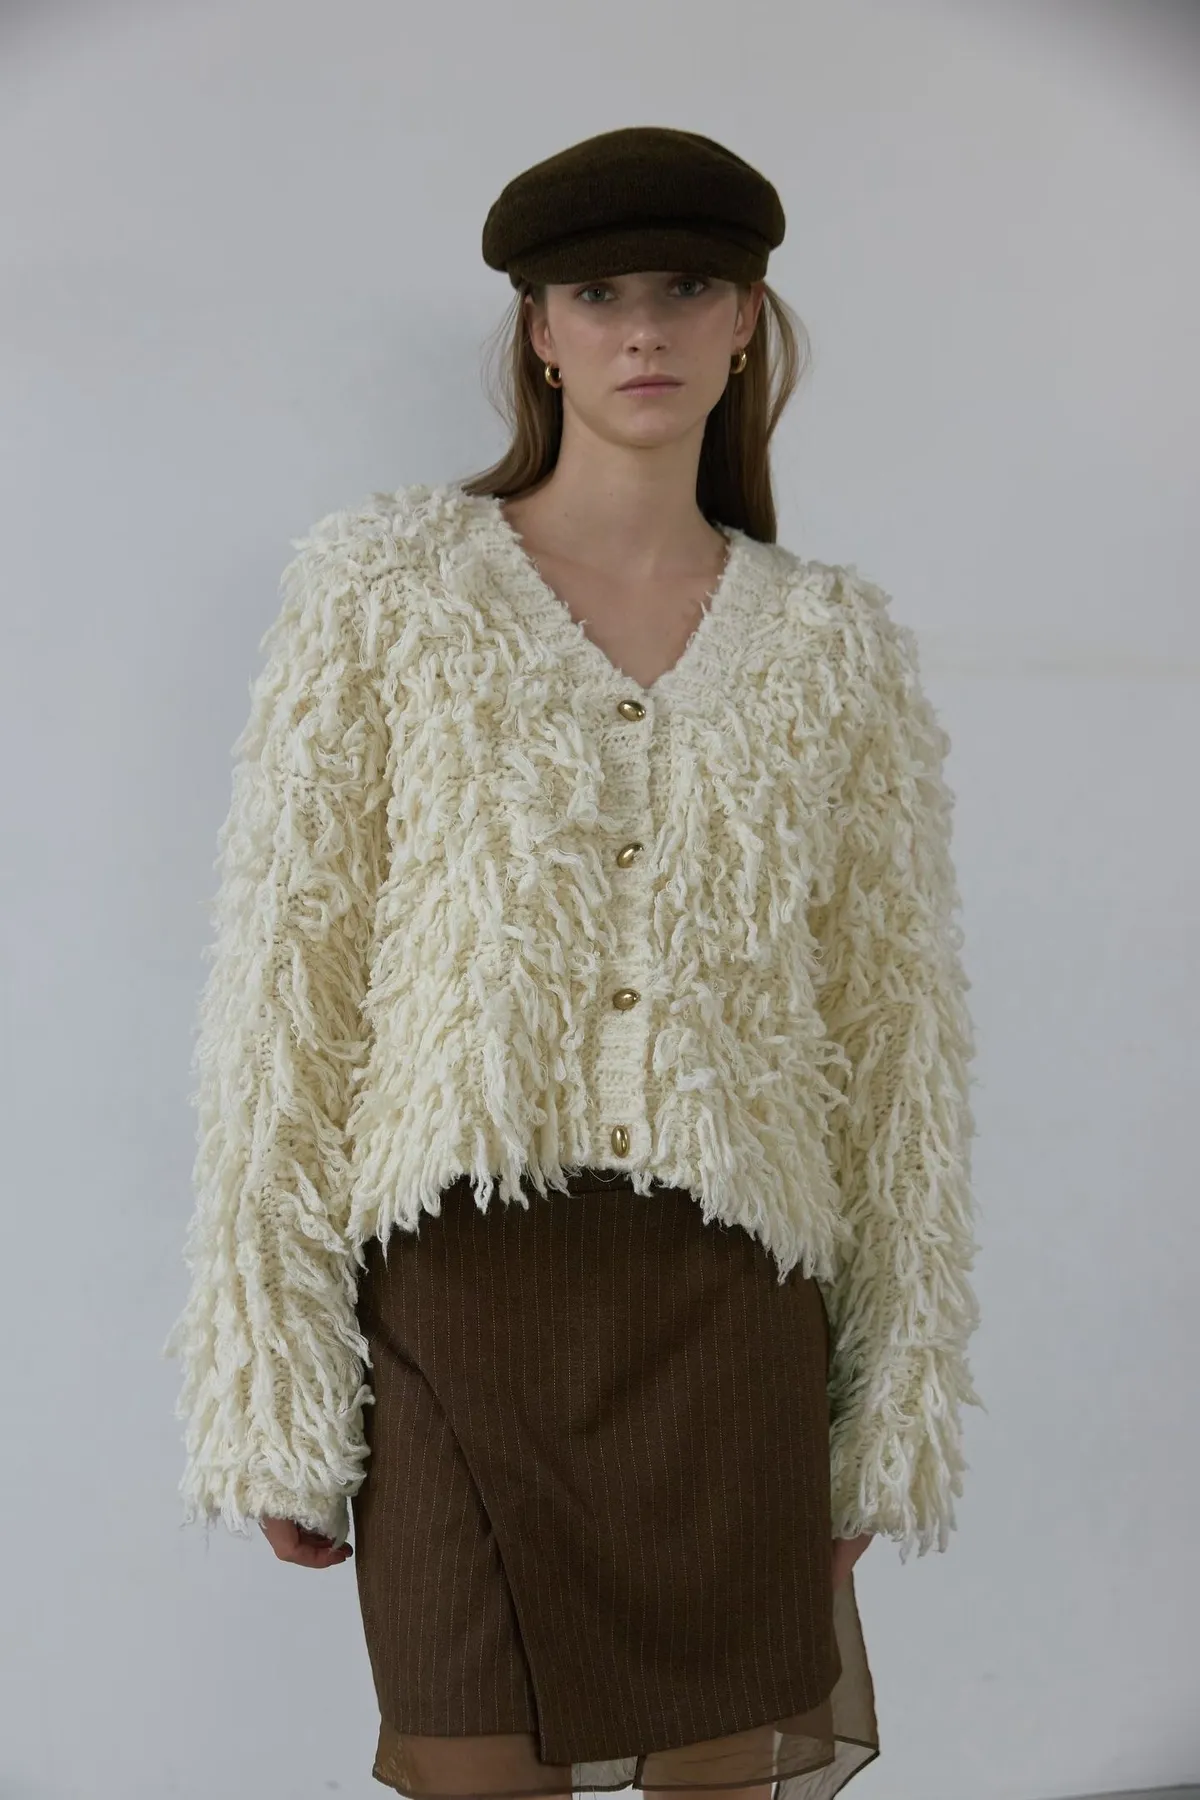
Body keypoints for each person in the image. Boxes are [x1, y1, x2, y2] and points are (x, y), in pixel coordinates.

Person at [163, 126, 983, 1800]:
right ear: (538, 331)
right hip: (454, 1304)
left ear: (748, 320)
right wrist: (270, 1373)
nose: (644, 331)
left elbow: (897, 1039)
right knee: (467, 1758)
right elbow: (287, 993)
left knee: (718, 1776)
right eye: (596, 296)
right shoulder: (385, 590)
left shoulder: (831, 643)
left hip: (729, 1315)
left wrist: (887, 1407)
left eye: (686, 289)